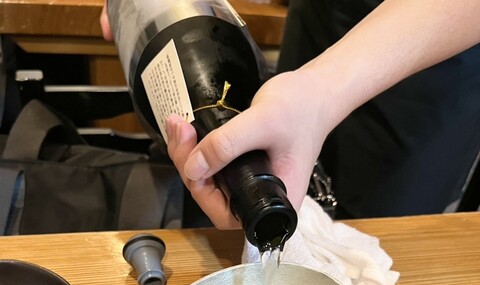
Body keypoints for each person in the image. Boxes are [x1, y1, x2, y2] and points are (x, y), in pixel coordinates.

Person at [101, 0, 480, 229]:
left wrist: (319, 89)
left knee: (384, 229)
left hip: (433, 49)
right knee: (285, 163)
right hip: (323, 16)